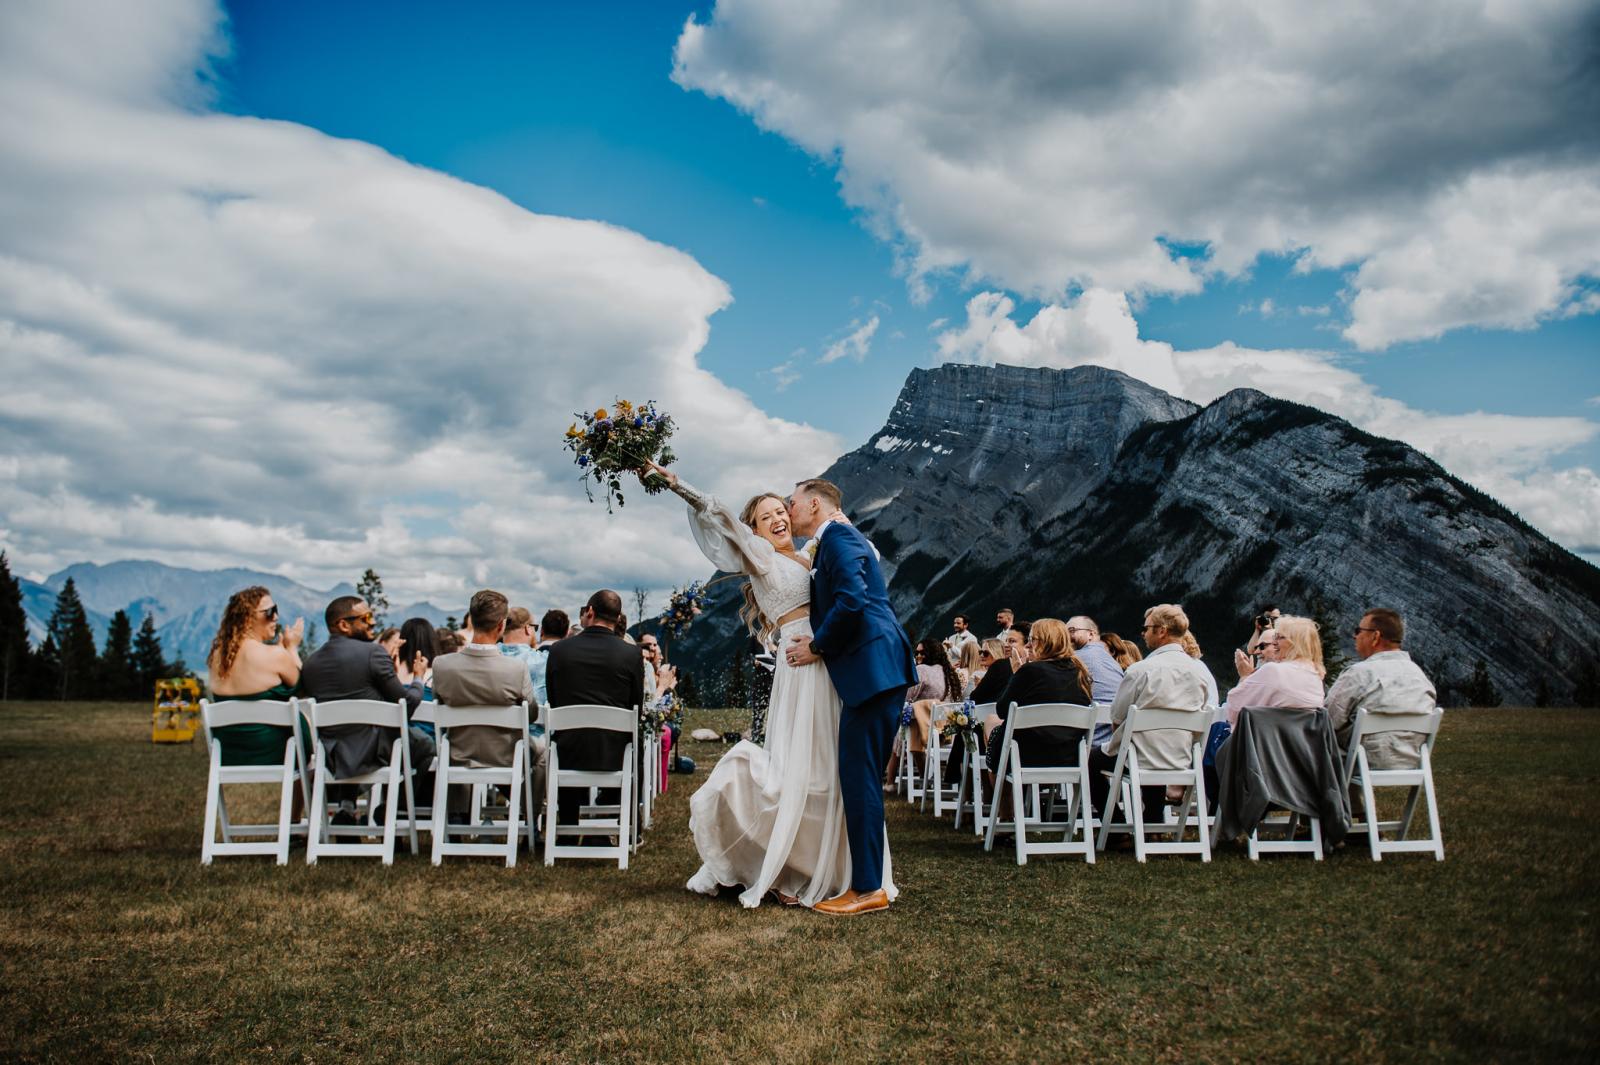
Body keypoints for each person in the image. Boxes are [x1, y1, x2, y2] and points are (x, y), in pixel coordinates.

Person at [643, 462, 876, 909]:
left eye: (780, 511)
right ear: (755, 530)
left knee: (827, 769)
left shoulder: (807, 557)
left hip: (827, 664)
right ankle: (787, 868)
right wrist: (679, 485)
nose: (777, 519)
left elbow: (860, 561)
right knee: (798, 768)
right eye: (765, 516)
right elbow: (721, 516)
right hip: (800, 664)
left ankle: (822, 868)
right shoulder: (761, 557)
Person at [787, 476, 918, 916]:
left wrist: (817, 645)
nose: (788, 510)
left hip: (873, 669)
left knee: (859, 777)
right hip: (874, 670)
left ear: (817, 504)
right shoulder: (837, 538)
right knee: (858, 776)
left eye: (793, 503)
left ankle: (867, 889)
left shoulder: (839, 537)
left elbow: (852, 601)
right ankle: (866, 881)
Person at [298, 595, 434, 821]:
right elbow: (406, 704)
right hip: (374, 749)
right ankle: (393, 807)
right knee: (425, 745)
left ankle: (346, 808)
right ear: (343, 624)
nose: (372, 623)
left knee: (353, 734)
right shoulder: (373, 653)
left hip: (332, 753)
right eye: (366, 618)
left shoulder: (311, 663)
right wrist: (418, 678)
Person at [1089, 604, 1213, 823]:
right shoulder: (1199, 671)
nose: (1143, 633)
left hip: (1140, 757)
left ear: (1161, 631)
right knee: (1151, 748)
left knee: (1090, 761)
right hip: (1181, 758)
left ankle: (1115, 826)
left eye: (1146, 628)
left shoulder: (1140, 670)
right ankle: (1153, 823)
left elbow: (1117, 719)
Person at [431, 589, 540, 821]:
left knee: (452, 739)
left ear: (472, 618)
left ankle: (457, 815)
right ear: (501, 626)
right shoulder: (515, 669)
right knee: (541, 753)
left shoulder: (442, 666)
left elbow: (439, 704)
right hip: (506, 755)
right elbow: (530, 714)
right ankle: (530, 816)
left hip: (457, 754)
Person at [544, 589, 646, 830]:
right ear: (618, 617)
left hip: (569, 749)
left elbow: (554, 698)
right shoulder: (631, 654)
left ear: (590, 611)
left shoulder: (558, 651)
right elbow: (636, 706)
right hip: (614, 753)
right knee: (634, 745)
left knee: (569, 736)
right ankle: (610, 825)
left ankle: (568, 824)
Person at [1326, 608, 1437, 770]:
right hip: (1411, 760)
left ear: (1375, 636)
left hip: (1362, 761)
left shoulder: (1358, 673)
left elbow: (1328, 720)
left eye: (1359, 631)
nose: (1355, 636)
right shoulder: (1420, 676)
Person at [206, 586, 305, 765]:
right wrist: (291, 649)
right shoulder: (275, 655)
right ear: (247, 618)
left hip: (229, 753)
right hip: (277, 750)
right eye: (269, 612)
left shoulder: (217, 656)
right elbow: (305, 689)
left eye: (276, 610)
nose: (276, 617)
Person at [984, 618, 1093, 773]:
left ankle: (1002, 797)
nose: (1028, 645)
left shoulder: (1030, 671)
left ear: (1047, 642)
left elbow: (1002, 710)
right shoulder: (1080, 672)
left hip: (1026, 756)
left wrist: (1016, 674)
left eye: (1032, 640)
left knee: (991, 723)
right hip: (1070, 756)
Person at [1224, 614, 1326, 726]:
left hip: (1260, 741)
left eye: (1280, 637)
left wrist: (1245, 676)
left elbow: (1233, 711)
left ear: (1296, 643)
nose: (1274, 642)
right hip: (1296, 742)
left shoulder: (1274, 671)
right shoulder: (1316, 678)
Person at [885, 637, 959, 786]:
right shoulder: (949, 673)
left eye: (922, 653)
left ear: (931, 653)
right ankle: (926, 781)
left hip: (921, 726)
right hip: (947, 729)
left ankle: (890, 782)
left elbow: (906, 696)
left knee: (898, 731)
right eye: (917, 653)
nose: (918, 656)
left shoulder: (922, 670)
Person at [1066, 615, 1125, 747]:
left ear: (1091, 634)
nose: (1067, 637)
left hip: (1087, 744)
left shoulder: (1075, 659)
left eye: (1072, 631)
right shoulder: (1114, 663)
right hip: (1112, 743)